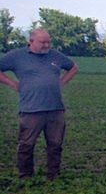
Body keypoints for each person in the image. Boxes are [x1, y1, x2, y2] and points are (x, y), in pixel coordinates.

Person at [0, 28, 78, 179]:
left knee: (55, 144)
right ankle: (25, 175)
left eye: (48, 42)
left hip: (55, 109)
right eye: (43, 42)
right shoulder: (17, 56)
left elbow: (73, 67)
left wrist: (61, 82)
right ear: (31, 42)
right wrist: (12, 83)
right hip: (31, 109)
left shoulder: (55, 55)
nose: (46, 45)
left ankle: (53, 174)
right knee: (26, 145)